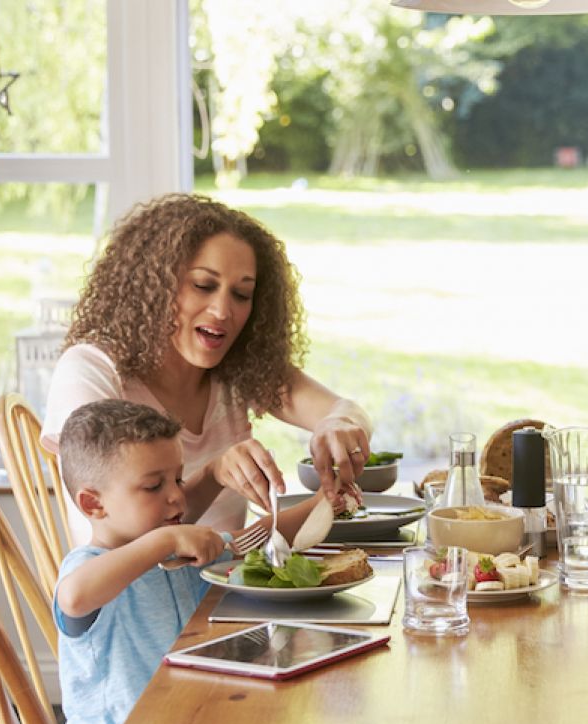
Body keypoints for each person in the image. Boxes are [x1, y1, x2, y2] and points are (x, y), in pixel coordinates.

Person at [42, 193, 372, 546]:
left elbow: (348, 411)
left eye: (242, 295)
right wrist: (214, 473)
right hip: (137, 597)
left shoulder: (238, 369)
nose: (222, 311)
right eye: (203, 286)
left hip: (224, 589)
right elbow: (125, 540)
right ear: (154, 286)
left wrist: (339, 425)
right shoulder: (91, 370)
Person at [54, 399, 327, 724]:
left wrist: (327, 501)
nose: (177, 497)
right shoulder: (91, 567)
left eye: (178, 479)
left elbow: (259, 539)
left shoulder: (179, 551)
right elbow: (74, 596)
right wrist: (164, 540)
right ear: (92, 503)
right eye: (153, 486)